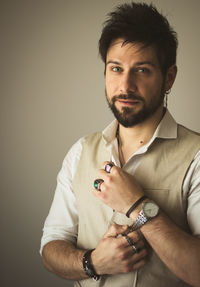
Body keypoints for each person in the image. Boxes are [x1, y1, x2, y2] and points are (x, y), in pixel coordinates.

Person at [40, 2, 200, 286]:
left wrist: (138, 205)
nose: (125, 86)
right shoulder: (80, 152)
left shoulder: (197, 156)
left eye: (142, 70)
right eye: (116, 69)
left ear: (169, 77)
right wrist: (93, 262)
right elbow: (51, 247)